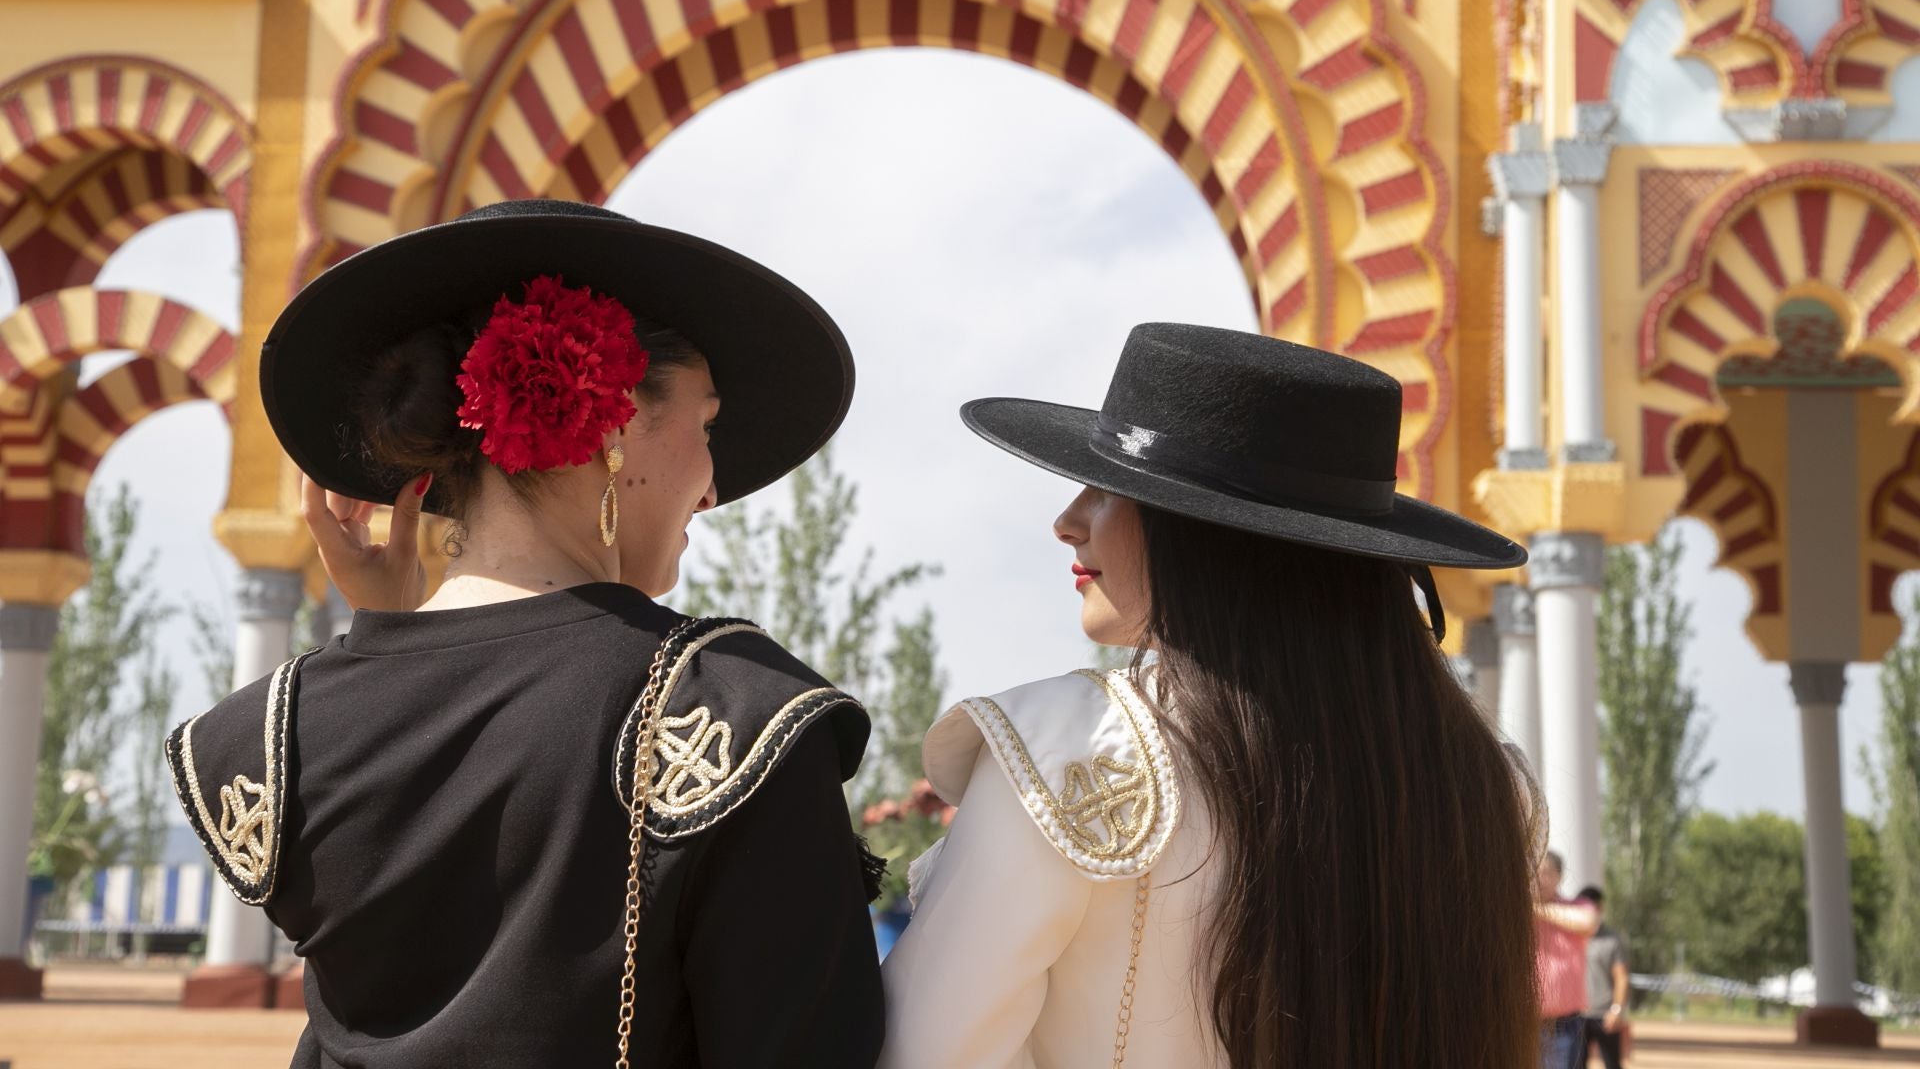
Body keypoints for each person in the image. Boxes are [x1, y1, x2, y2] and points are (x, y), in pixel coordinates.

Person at [165, 199, 884, 1068]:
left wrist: (384, 641)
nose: (710, 488)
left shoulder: (276, 732)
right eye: (706, 425)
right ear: (615, 422)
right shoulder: (728, 710)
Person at [878, 323, 1543, 1069]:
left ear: (1209, 537)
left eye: (1107, 490)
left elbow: (926, 1051)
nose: (1067, 523)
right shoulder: (1486, 788)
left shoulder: (1068, 754)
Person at [1535, 853, 1601, 1069]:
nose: (1539, 878)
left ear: (1559, 877)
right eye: (1534, 872)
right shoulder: (1512, 913)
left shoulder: (1578, 906)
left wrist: (1536, 909)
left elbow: (1588, 922)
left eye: (1546, 872)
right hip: (1519, 1023)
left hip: (1562, 1026)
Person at [1577, 885, 1630, 1069]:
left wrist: (1617, 1010)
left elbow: (1621, 977)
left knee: (1612, 1064)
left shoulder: (1612, 939)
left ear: (1600, 908)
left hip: (1604, 1014)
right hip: (1575, 1015)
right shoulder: (1571, 936)